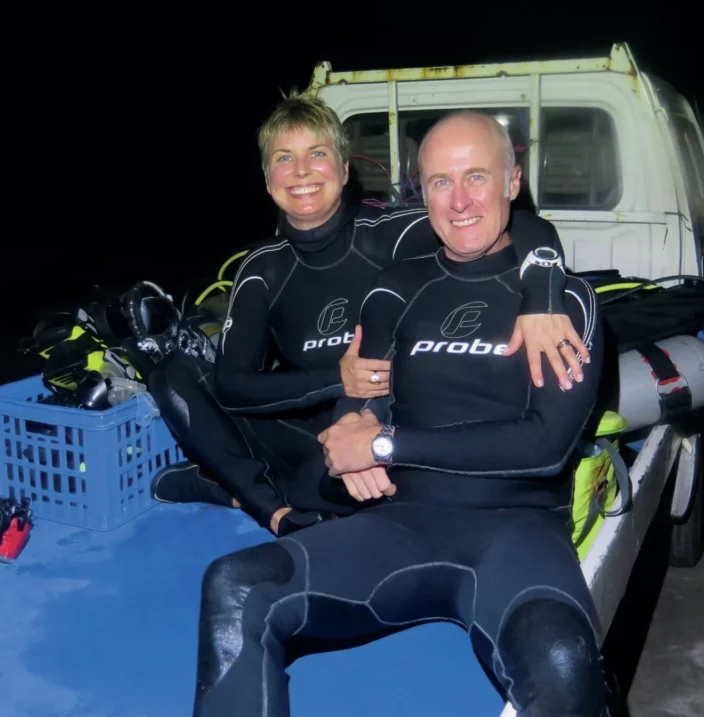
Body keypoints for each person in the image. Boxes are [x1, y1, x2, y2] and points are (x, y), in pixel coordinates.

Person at [191, 110, 610, 716]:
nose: (460, 201)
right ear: (422, 191)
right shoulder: (397, 286)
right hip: (400, 524)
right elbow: (359, 400)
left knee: (564, 658)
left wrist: (386, 445)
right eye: (440, 181)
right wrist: (349, 429)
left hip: (517, 532)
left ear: (513, 182)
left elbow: (543, 445)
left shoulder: (561, 301)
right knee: (233, 585)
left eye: (477, 177)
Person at [149, 92, 592, 538]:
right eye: (285, 158)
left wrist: (543, 300)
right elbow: (232, 385)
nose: (301, 171)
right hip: (310, 429)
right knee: (174, 376)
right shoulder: (261, 268)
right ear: (267, 180)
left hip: (384, 422)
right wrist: (335, 380)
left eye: (317, 154)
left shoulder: (392, 233)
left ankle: (237, 484)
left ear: (344, 171)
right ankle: (269, 507)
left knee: (335, 475)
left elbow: (515, 221)